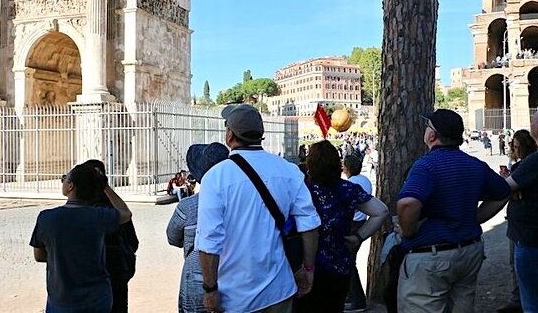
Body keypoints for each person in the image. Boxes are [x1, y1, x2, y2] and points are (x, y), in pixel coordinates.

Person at [196, 104, 321, 313]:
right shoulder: (289, 170)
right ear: (260, 135)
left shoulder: (216, 177)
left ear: (229, 136)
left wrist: (210, 289)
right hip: (279, 289)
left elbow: (209, 240)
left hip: (234, 296)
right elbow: (309, 225)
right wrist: (308, 269)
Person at [397, 109, 510, 313]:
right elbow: (503, 193)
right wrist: (476, 219)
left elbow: (407, 203)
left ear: (432, 135)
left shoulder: (426, 165)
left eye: (427, 126)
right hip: (469, 251)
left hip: (432, 256)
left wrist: (408, 231)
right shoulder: (475, 165)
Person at [480, 107, 538, 312]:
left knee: (535, 306)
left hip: (534, 244)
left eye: (534, 120)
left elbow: (505, 188)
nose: (531, 123)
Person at [294, 141, 388, 313]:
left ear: (310, 165)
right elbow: (381, 211)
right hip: (339, 263)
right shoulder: (348, 189)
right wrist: (358, 237)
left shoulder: (302, 191)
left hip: (306, 264)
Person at [30, 163, 133, 313]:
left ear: (70, 186)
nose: (63, 181)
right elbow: (125, 212)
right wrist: (106, 187)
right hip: (97, 298)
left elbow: (39, 256)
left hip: (61, 299)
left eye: (64, 178)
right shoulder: (100, 216)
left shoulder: (46, 218)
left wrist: (62, 256)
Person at [166, 142, 229, 313]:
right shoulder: (236, 199)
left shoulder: (187, 206)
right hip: (232, 275)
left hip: (196, 278)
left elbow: (172, 237)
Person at [84, 159, 139, 313]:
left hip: (87, 282)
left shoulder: (79, 213)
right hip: (116, 275)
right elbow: (133, 242)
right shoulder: (115, 212)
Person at [495, 130, 536, 313]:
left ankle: (520, 301)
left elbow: (514, 192)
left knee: (518, 265)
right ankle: (519, 299)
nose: (515, 150)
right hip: (520, 224)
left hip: (522, 226)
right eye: (514, 146)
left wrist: (506, 181)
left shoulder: (526, 166)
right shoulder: (526, 164)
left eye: (518, 147)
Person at [343, 154, 375, 312]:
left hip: (352, 224)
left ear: (346, 168)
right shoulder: (365, 180)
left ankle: (357, 299)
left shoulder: (351, 183)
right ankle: (351, 295)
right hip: (362, 222)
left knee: (348, 262)